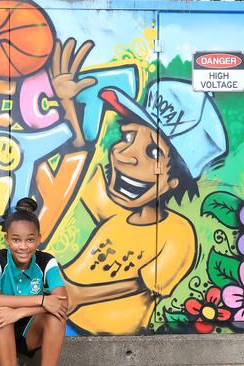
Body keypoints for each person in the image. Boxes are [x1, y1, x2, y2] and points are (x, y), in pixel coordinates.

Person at [62, 78, 227, 335]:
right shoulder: (118, 215)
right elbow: (81, 166)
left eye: (153, 152)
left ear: (174, 180)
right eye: (127, 136)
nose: (123, 154)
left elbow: (144, 284)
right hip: (63, 316)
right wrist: (67, 106)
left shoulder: (178, 233)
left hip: (99, 331)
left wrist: (79, 294)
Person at [0, 198, 68, 366]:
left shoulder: (46, 261)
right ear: (7, 239)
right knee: (1, 316)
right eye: (16, 240)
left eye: (30, 240)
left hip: (30, 327)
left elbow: (61, 303)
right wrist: (42, 300)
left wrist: (19, 312)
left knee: (57, 317)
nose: (23, 247)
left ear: (39, 239)